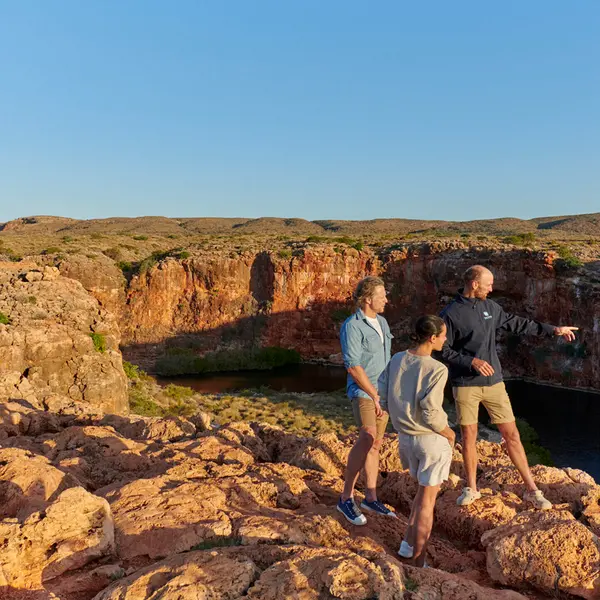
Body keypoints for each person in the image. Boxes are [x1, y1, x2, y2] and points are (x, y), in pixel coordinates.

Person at [439, 265, 578, 509]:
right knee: (469, 437)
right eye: (488, 284)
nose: (491, 289)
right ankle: (471, 488)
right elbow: (443, 349)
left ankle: (532, 490)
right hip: (465, 384)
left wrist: (554, 330)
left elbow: (519, 324)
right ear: (474, 284)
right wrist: (471, 361)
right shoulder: (450, 314)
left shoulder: (490, 308)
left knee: (512, 434)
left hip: (494, 383)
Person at [378, 315, 453, 568]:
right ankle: (420, 562)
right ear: (432, 338)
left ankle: (407, 545)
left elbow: (384, 393)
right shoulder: (437, 369)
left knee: (421, 496)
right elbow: (431, 410)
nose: (445, 339)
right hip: (430, 441)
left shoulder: (398, 359)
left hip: (405, 440)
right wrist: (449, 433)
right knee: (427, 503)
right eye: (443, 335)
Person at [337, 276, 397, 525]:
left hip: (382, 392)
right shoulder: (352, 326)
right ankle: (345, 498)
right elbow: (353, 366)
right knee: (368, 435)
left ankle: (370, 499)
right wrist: (373, 394)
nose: (386, 299)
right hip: (364, 392)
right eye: (382, 295)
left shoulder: (382, 322)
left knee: (376, 444)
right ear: (368, 298)